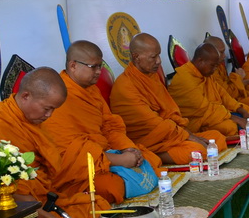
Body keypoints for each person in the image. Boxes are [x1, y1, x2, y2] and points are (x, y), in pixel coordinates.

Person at [0, 67, 110, 218]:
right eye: (47, 108)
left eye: (53, 110)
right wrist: (38, 212)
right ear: (25, 96)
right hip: (15, 212)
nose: (49, 115)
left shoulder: (32, 121)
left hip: (44, 199)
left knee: (98, 206)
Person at [43, 41, 161, 205]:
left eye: (100, 66)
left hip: (104, 153)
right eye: (94, 67)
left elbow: (110, 125)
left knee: (151, 160)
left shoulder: (92, 91)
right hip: (79, 169)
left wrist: (127, 147)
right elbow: (68, 152)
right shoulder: (58, 96)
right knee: (112, 187)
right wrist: (120, 160)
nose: (99, 72)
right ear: (73, 65)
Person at [110, 32, 227, 164]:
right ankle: (154, 155)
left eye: (159, 55)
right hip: (149, 140)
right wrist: (188, 137)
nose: (159, 61)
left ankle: (175, 149)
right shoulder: (125, 86)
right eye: (153, 57)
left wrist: (188, 134)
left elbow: (170, 112)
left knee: (217, 137)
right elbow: (154, 124)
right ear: (136, 57)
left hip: (170, 135)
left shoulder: (151, 76)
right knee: (197, 150)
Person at [168, 41, 249, 140]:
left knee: (246, 109)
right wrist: (235, 118)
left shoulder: (204, 74)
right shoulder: (184, 79)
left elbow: (223, 95)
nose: (214, 69)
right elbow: (204, 109)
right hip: (197, 121)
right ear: (200, 61)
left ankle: (242, 132)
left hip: (214, 114)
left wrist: (240, 109)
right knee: (229, 127)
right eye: (213, 66)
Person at [203, 36, 249, 115]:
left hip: (232, 99)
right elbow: (227, 94)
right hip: (223, 105)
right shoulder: (210, 71)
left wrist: (247, 81)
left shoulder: (219, 66)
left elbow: (228, 86)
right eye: (221, 52)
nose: (224, 56)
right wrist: (238, 77)